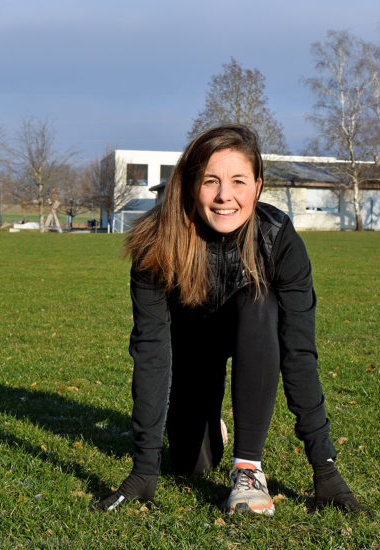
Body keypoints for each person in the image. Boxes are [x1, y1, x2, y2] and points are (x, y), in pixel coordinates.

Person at [93, 125, 363, 516]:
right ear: (190, 185)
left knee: (258, 299)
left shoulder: (279, 239)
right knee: (190, 464)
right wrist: (144, 467)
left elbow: (299, 352)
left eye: (238, 181)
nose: (225, 196)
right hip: (194, 344)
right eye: (211, 181)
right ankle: (210, 425)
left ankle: (247, 469)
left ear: (257, 185)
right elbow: (151, 352)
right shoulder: (156, 243)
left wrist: (325, 466)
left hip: (255, 333)